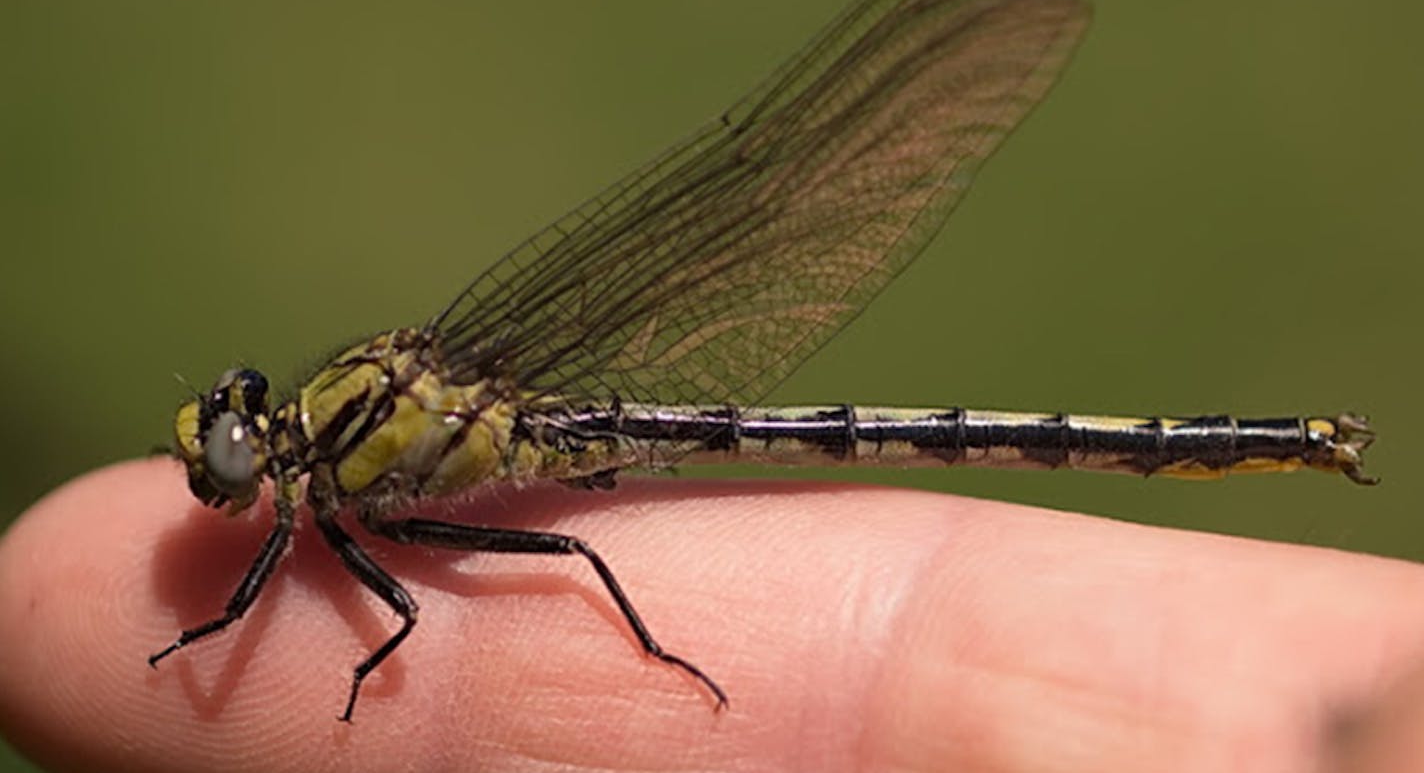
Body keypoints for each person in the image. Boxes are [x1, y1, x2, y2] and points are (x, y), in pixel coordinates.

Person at [1, 457, 1422, 772]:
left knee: (557, 547)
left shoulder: (321, 502)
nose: (228, 470)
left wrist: (197, 645)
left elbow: (403, 627)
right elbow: (394, 612)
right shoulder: (322, 502)